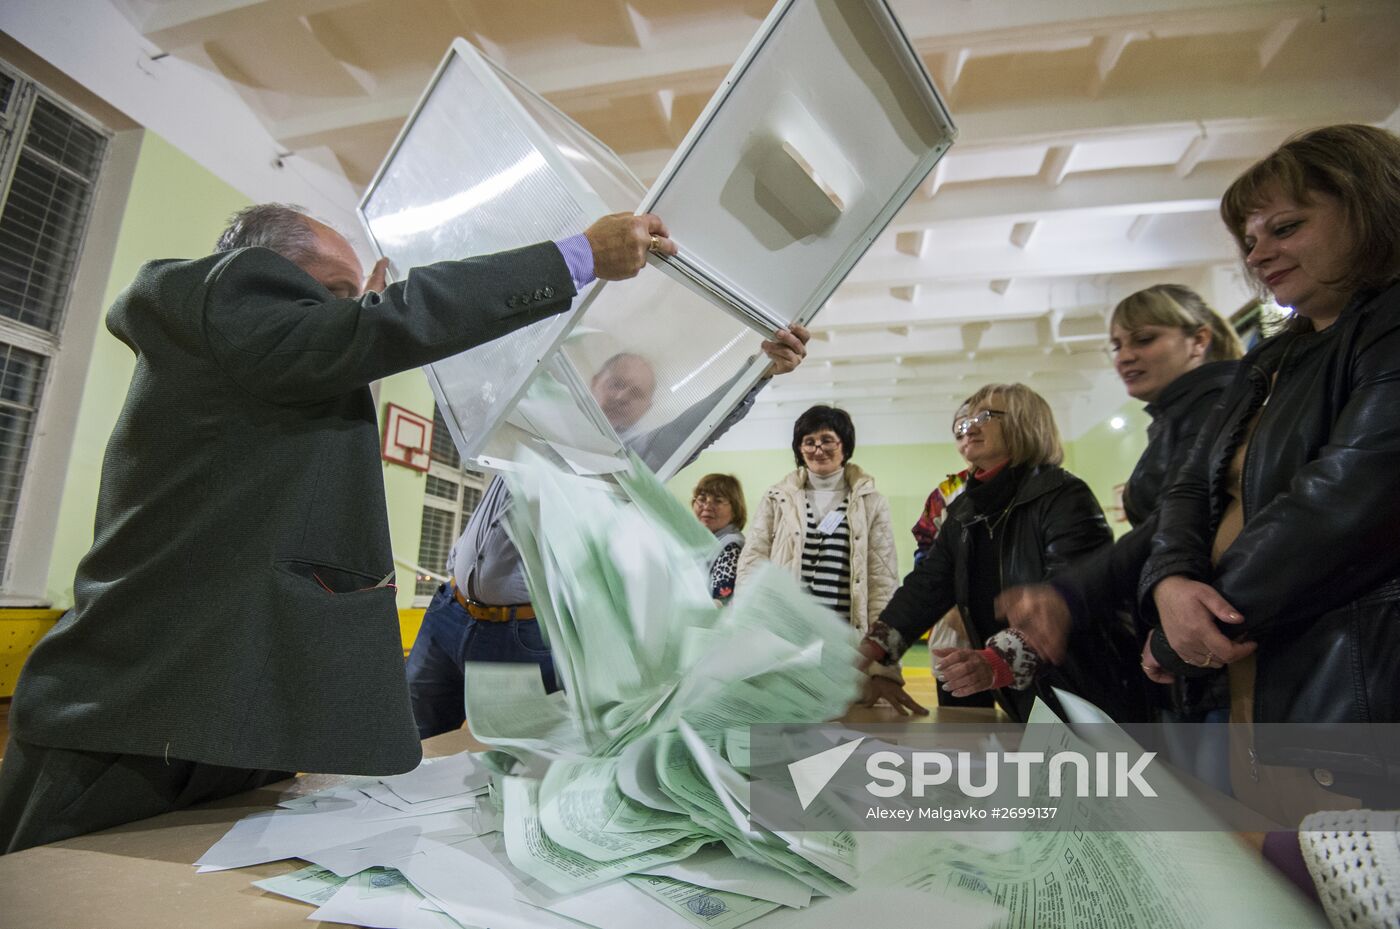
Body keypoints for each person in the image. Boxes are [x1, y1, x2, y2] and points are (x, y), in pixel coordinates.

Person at [0, 201, 676, 853]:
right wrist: (578, 256)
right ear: (265, 273)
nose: (353, 311)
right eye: (334, 292)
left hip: (213, 715)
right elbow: (369, 332)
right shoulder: (228, 290)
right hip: (131, 725)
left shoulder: (248, 367)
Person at [1130, 124, 1400, 816]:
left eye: (1285, 227)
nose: (1259, 253)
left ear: (1370, 209)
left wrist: (1196, 621)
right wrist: (1170, 582)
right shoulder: (1269, 359)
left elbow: (1346, 498)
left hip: (1356, 679)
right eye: (1250, 239)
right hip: (1258, 669)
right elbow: (1189, 490)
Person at [406, 328, 809, 739]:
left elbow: (699, 426)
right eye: (616, 383)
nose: (621, 397)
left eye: (636, 394)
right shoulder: (534, 419)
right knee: (407, 734)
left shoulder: (622, 463)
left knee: (511, 760)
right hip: (447, 612)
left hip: (518, 636)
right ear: (594, 382)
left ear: (647, 408)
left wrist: (758, 372)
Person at [994, 286, 1245, 772]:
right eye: (1117, 345)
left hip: (1218, 657)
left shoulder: (1215, 411)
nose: (1125, 356)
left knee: (1221, 826)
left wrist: (1066, 595)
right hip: (1182, 654)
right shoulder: (1179, 418)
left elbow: (1173, 532)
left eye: (1144, 340)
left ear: (1199, 340)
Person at [859, 384, 1137, 722]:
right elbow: (928, 585)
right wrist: (871, 649)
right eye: (965, 422)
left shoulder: (1064, 494)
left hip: (1086, 694)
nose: (970, 427)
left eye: (986, 416)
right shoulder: (964, 510)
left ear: (1026, 423)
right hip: (1023, 696)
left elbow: (1071, 592)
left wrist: (998, 660)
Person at [735, 405, 898, 637]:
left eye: (827, 440)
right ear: (800, 450)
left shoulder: (871, 502)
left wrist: (880, 647)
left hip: (843, 637)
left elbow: (882, 581)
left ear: (845, 446)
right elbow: (752, 562)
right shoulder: (777, 498)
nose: (818, 449)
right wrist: (745, 622)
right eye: (809, 442)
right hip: (784, 636)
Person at [691, 473, 747, 604]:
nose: (707, 506)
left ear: (735, 510)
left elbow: (721, 602)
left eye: (718, 500)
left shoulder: (731, 547)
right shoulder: (704, 541)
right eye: (702, 499)